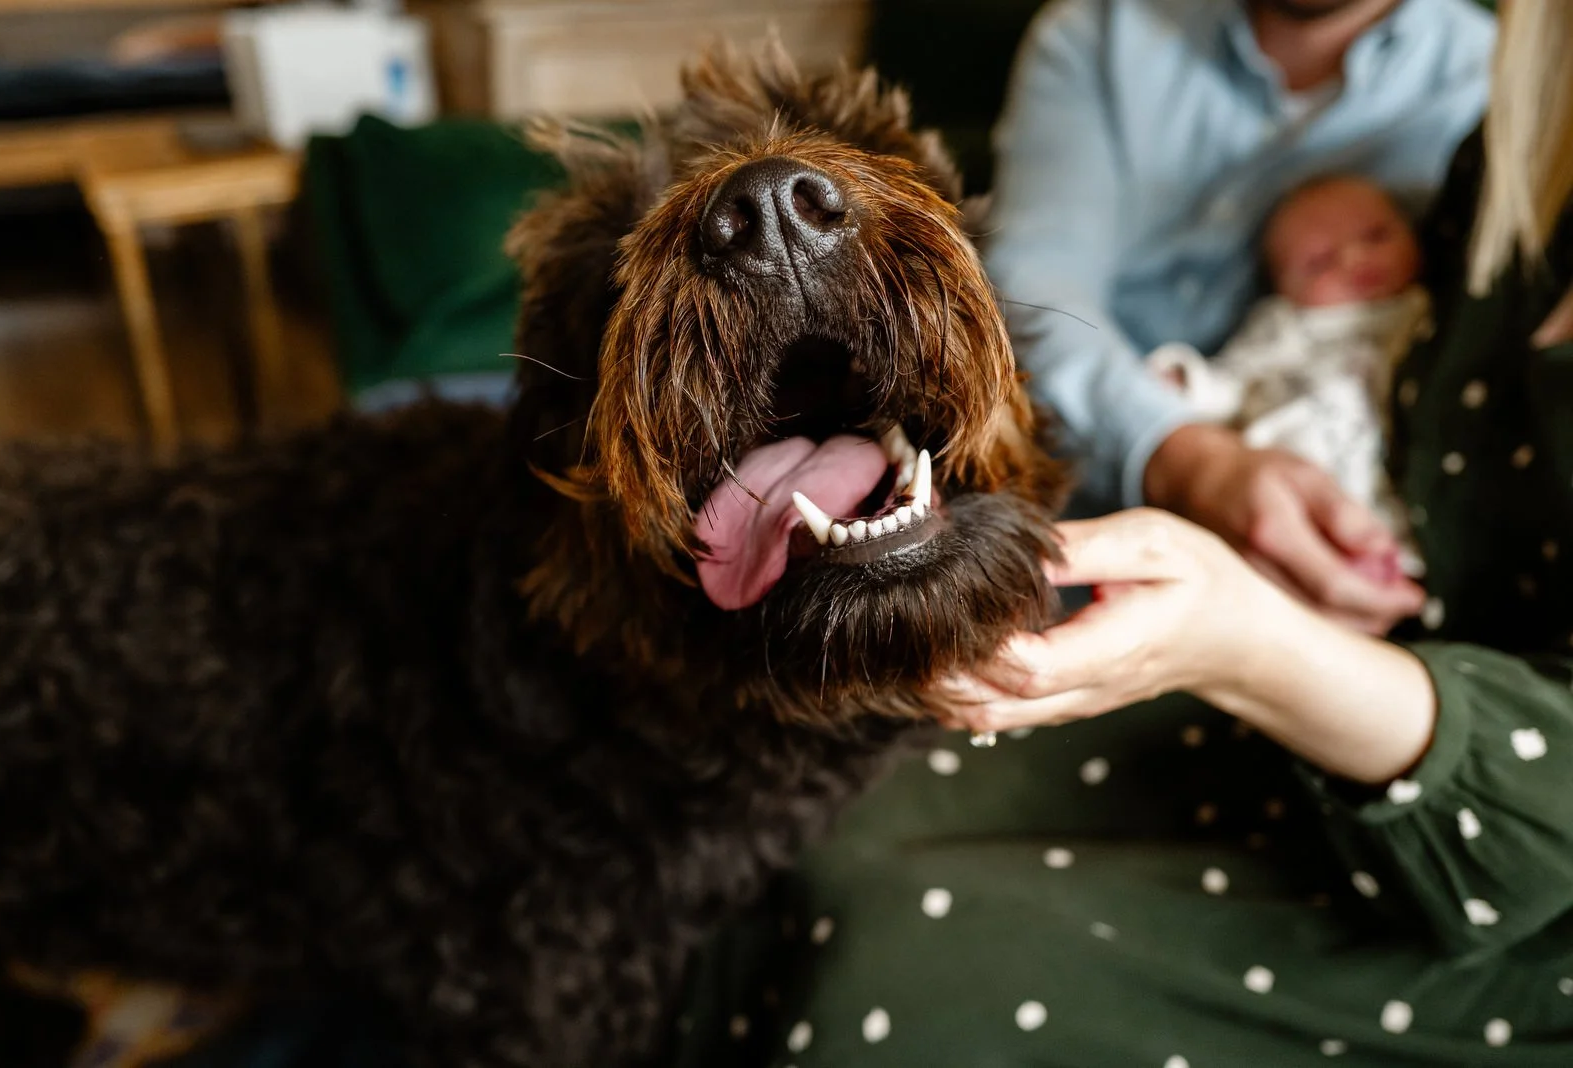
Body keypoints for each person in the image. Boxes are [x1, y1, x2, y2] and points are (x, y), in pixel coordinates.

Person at [667, 3, 1573, 1065]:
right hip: (1346, 634)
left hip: (1506, 842)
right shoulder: (1518, 127)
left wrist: (1252, 637)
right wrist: (1293, 515)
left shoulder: (1461, 68)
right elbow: (1038, 295)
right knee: (818, 827)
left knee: (903, 954)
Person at [981, 0, 1494, 634]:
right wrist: (1184, 457)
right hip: (1056, 497)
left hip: (1347, 544)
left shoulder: (1487, 80)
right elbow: (1031, 285)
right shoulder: (1102, 31)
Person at [1147, 174, 1431, 583]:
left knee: (1385, 521)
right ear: (1282, 287)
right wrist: (1189, 381)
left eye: (1375, 237)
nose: (1353, 259)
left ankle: (1390, 565)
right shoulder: (1284, 325)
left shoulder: (1420, 312)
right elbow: (1235, 379)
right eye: (1320, 262)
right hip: (1284, 461)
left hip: (1379, 471)